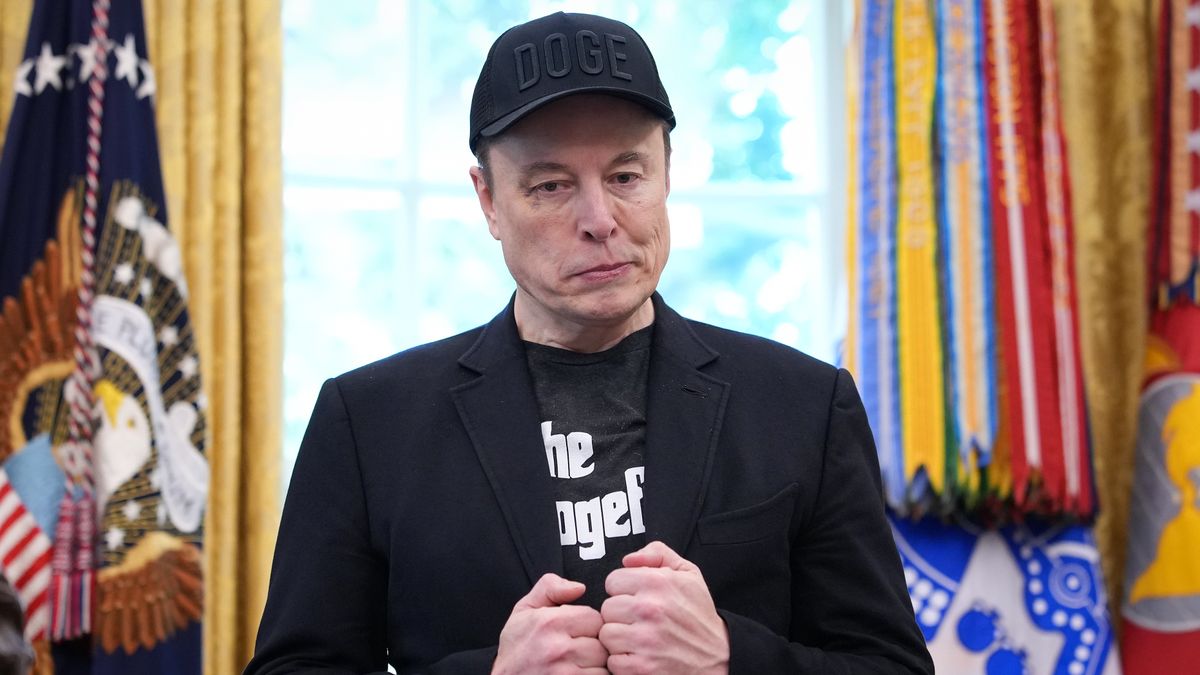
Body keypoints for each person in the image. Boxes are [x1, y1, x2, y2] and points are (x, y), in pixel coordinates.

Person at [246, 11, 933, 675]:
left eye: (626, 176)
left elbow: (892, 665)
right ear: (488, 201)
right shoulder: (368, 423)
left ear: (668, 169)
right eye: (550, 186)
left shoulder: (805, 406)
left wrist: (731, 656)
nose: (600, 220)